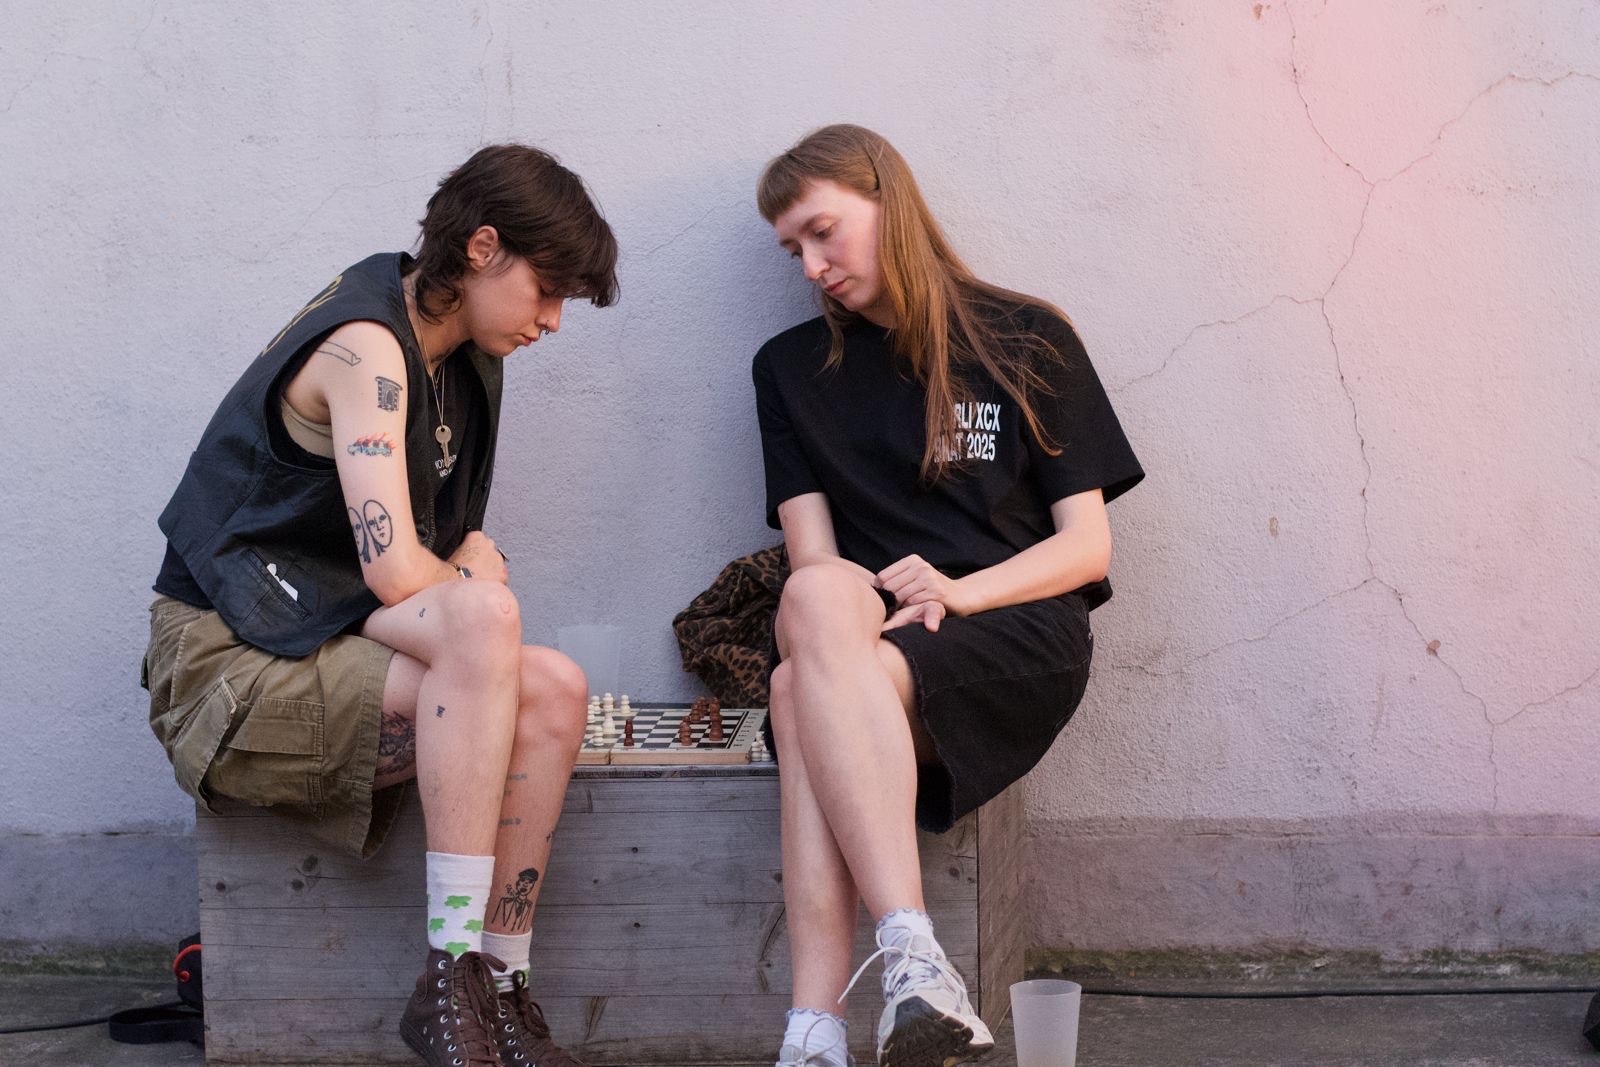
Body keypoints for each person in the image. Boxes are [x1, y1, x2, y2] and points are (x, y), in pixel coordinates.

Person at [143, 144, 618, 1067]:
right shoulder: (367, 349)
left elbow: (394, 581)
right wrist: (469, 576)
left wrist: (466, 579)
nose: (553, 321)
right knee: (484, 617)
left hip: (311, 636)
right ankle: (450, 971)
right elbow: (400, 574)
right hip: (223, 666)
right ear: (483, 247)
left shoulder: (460, 358)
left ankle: (501, 986)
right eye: (547, 290)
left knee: (557, 689)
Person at [750, 125, 1144, 1067]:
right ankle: (910, 969)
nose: (811, 267)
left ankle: (817, 1026)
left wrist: (961, 591)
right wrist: (868, 614)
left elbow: (1086, 548)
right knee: (810, 623)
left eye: (822, 232)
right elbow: (816, 560)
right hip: (870, 634)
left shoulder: (1025, 337)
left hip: (1013, 631)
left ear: (886, 199)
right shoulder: (787, 370)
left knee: (797, 694)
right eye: (793, 250)